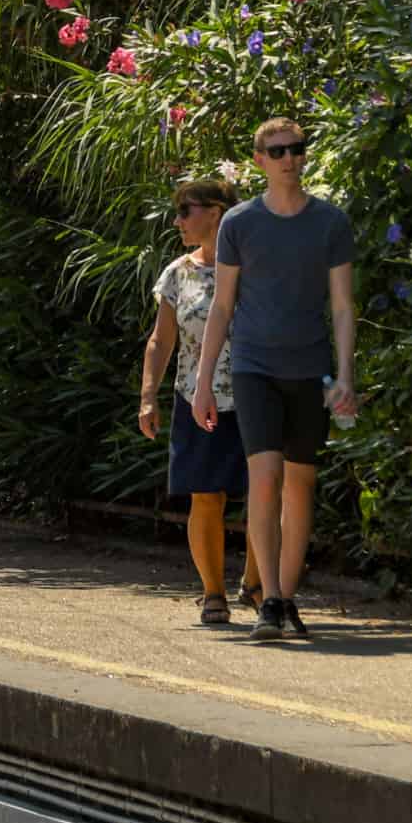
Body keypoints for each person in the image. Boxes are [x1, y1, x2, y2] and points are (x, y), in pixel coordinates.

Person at [193, 118, 357, 640]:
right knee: (264, 479)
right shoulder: (239, 224)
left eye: (297, 149)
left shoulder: (330, 223)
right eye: (278, 150)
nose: (290, 158)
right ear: (260, 159)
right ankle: (266, 602)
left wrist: (346, 376)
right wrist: (203, 383)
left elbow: (342, 306)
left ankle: (286, 595)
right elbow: (221, 306)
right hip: (253, 366)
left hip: (308, 368)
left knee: (300, 484)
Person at [139, 179, 259, 624]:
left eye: (185, 211)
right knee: (206, 496)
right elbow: (160, 339)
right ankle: (213, 593)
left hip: (255, 394)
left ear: (215, 212)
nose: (178, 221)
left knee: (264, 494)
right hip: (198, 398)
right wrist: (147, 397)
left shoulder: (254, 266)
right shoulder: (178, 272)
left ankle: (255, 584)